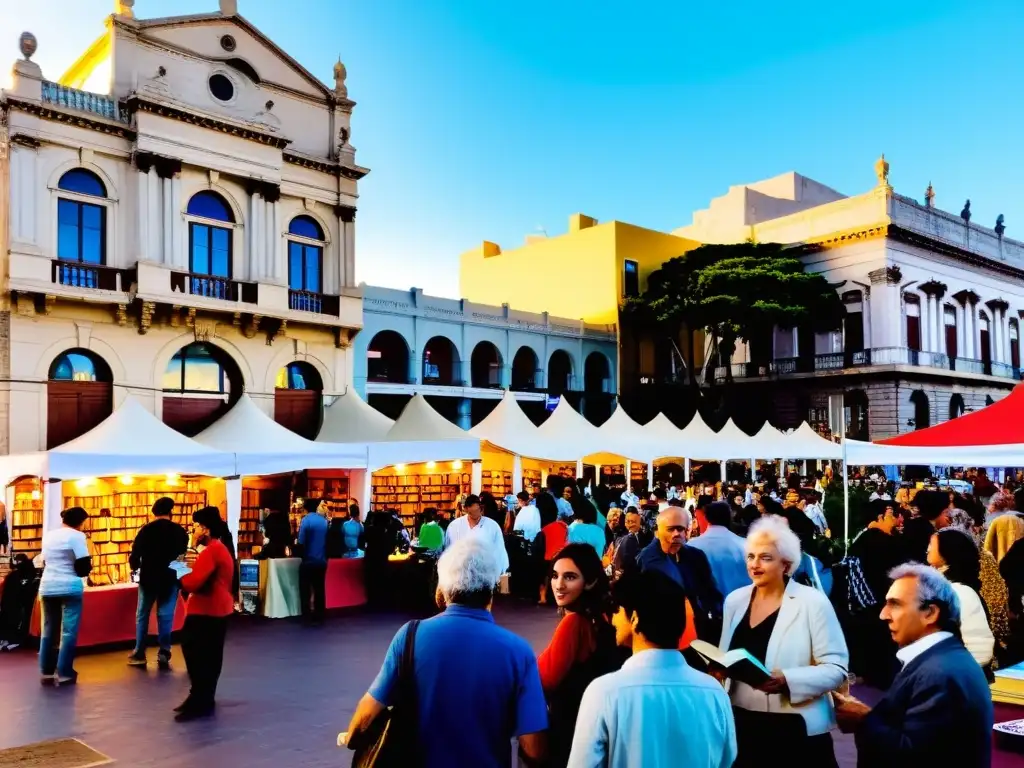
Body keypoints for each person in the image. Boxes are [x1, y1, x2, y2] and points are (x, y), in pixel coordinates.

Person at [341, 539, 548, 766]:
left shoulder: (410, 635)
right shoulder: (519, 652)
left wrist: (351, 737)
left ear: (442, 589)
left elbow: (368, 711)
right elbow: (533, 746)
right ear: (492, 590)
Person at [567, 570, 737, 768]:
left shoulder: (604, 692)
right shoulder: (714, 692)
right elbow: (726, 759)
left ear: (635, 619)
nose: (613, 619)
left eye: (617, 610)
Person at [834, 564, 994, 768]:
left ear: (930, 613)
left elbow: (913, 757)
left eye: (895, 604)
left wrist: (864, 720)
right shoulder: (942, 661)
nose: (884, 615)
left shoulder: (938, 673)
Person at [719, 516, 848, 767]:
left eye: (765, 558)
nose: (754, 565)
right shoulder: (734, 601)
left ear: (786, 565)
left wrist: (787, 680)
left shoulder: (813, 602)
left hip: (794, 728)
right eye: (750, 556)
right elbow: (727, 655)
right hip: (741, 724)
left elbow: (836, 669)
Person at [538, 543, 621, 766]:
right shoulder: (603, 617)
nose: (559, 585)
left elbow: (545, 678)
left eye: (570, 577)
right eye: (555, 576)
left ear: (591, 581)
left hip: (570, 732)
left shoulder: (574, 622)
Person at [176, 506, 236, 721]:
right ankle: (202, 697)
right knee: (210, 656)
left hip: (206, 610)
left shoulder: (211, 551)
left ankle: (199, 697)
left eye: (195, 526)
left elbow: (189, 582)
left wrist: (186, 552)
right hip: (217, 608)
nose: (193, 530)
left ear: (205, 528)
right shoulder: (221, 548)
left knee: (198, 655)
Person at [637, 507, 722, 642]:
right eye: (671, 529)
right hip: (662, 637)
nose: (677, 534)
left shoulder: (696, 556)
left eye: (681, 529)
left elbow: (710, 591)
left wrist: (712, 614)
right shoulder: (646, 560)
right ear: (658, 531)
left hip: (699, 633)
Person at [127, 496, 189, 669]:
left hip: (149, 578)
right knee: (166, 615)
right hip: (170, 578)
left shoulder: (146, 530)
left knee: (142, 615)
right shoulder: (180, 531)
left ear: (154, 512)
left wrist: (135, 569)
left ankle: (139, 652)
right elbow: (181, 557)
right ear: (171, 512)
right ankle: (164, 650)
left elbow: (135, 556)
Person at [926, 529, 994, 669]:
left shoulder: (961, 593)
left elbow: (979, 649)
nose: (927, 549)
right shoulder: (939, 587)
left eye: (932, 545)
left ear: (948, 551)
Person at [38, 506, 91, 686]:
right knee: (68, 631)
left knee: (48, 629)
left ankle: (46, 668)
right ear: (81, 522)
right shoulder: (77, 536)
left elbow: (45, 560)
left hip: (47, 585)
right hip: (69, 586)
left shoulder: (49, 535)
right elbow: (83, 566)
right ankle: (65, 672)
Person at [689, 501, 751, 597]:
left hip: (705, 606)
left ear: (706, 518)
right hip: (741, 604)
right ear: (730, 517)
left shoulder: (691, 546)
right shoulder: (745, 544)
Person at [444, 494, 509, 577]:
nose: (475, 515)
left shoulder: (492, 526)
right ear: (465, 509)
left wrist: (502, 573)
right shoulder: (454, 526)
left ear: (481, 509)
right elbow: (448, 550)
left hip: (485, 574)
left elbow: (500, 550)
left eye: (477, 511)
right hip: (460, 575)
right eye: (471, 512)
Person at [297, 498, 329, 625]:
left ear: (305, 508)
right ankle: (320, 613)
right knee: (319, 587)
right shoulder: (323, 521)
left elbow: (301, 541)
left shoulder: (306, 520)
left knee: (305, 588)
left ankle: (306, 614)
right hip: (321, 560)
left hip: (308, 560)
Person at [0, 554, 38, 652]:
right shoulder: (16, 576)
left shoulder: (14, 576)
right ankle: (10, 639)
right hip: (16, 606)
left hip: (17, 606)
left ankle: (9, 639)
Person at [536, 494, 569, 605]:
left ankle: (543, 596)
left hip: (548, 559)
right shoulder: (563, 525)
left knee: (542, 570)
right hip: (563, 555)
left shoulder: (543, 530)